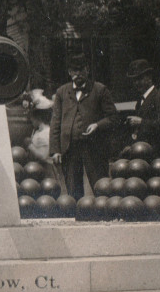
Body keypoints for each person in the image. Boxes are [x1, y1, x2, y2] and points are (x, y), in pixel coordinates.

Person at [49, 54, 118, 199]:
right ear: (69, 72)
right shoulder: (62, 92)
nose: (78, 74)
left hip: (94, 148)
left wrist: (97, 125)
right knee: (73, 189)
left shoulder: (100, 89)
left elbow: (113, 117)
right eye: (74, 70)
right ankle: (76, 217)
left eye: (81, 70)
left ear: (87, 70)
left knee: (100, 186)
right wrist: (55, 150)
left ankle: (105, 215)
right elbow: (55, 122)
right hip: (70, 148)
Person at [124, 59, 160, 162]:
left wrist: (142, 122)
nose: (137, 83)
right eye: (134, 80)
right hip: (145, 155)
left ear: (149, 77)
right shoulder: (140, 101)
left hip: (159, 156)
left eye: (140, 79)